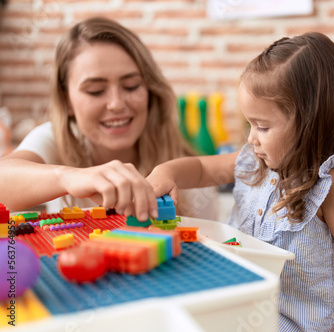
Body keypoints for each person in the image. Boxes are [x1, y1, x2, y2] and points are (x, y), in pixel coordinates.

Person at [146, 32, 334, 332]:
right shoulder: (254, 162)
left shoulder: (333, 188)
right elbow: (203, 168)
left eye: (263, 126)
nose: (251, 138)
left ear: (311, 123)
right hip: (237, 314)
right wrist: (166, 172)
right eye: (249, 124)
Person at [0, 17, 217, 221]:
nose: (116, 104)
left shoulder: (188, 173)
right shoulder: (52, 139)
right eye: (95, 91)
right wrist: (68, 177)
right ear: (67, 101)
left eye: (132, 86)